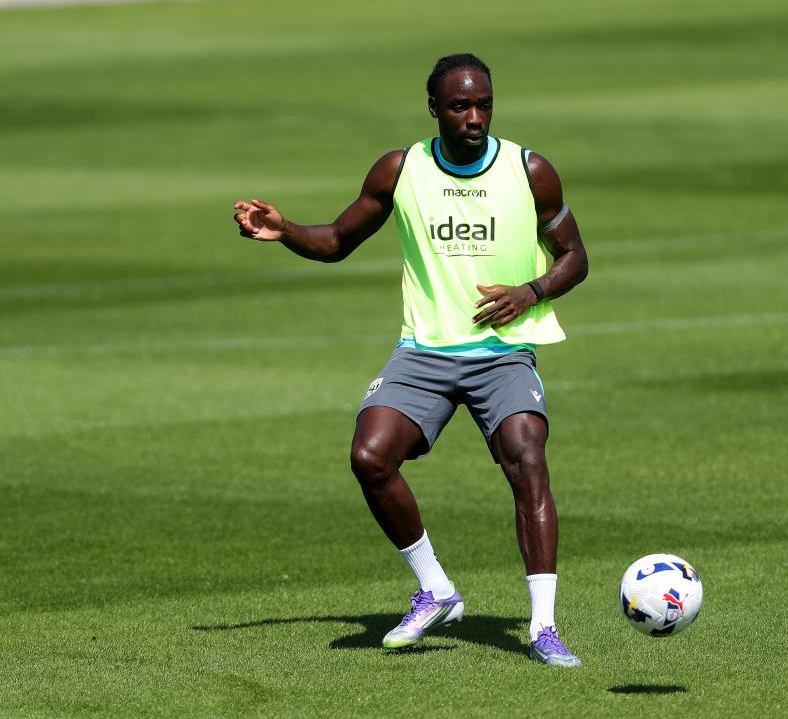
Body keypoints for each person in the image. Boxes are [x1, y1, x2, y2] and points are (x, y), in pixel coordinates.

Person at [232, 54, 588, 666]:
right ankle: (436, 590)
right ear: (434, 109)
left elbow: (574, 257)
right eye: (459, 106)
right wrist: (284, 228)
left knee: (527, 460)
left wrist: (530, 292)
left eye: (483, 105)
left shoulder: (529, 170)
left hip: (501, 355)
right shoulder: (402, 170)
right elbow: (338, 241)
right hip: (424, 352)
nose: (474, 117)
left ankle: (544, 627)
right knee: (369, 457)